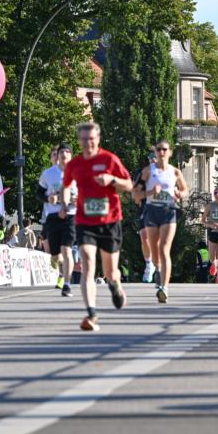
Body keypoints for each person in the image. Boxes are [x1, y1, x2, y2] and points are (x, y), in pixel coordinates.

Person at [61, 122, 133, 331]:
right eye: (84, 139)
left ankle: (115, 285)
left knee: (110, 271)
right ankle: (91, 313)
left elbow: (129, 184)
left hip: (110, 221)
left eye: (91, 139)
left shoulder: (109, 159)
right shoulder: (74, 164)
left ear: (98, 139)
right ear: (79, 141)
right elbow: (66, 186)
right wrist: (64, 204)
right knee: (87, 263)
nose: (88, 143)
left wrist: (112, 179)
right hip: (85, 221)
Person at [140, 140, 188, 303]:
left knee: (164, 248)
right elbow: (136, 192)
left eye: (164, 149)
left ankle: (164, 288)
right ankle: (156, 268)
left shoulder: (175, 172)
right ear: (155, 152)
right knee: (155, 250)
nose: (161, 152)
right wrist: (151, 192)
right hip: (152, 211)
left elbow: (185, 189)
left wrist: (180, 194)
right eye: (158, 149)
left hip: (168, 211)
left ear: (170, 152)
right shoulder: (148, 171)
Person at [38, 142, 77, 297]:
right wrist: (48, 198)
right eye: (61, 152)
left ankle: (67, 284)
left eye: (67, 152)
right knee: (55, 256)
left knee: (67, 250)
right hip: (52, 217)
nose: (64, 154)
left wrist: (78, 200)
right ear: (58, 156)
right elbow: (39, 193)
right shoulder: (48, 174)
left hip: (71, 216)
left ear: (71, 156)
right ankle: (61, 268)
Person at [131, 154, 156, 283]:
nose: (153, 161)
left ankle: (159, 263)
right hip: (146, 207)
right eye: (151, 159)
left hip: (161, 208)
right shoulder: (143, 173)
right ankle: (149, 264)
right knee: (144, 236)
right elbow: (135, 192)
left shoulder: (168, 172)